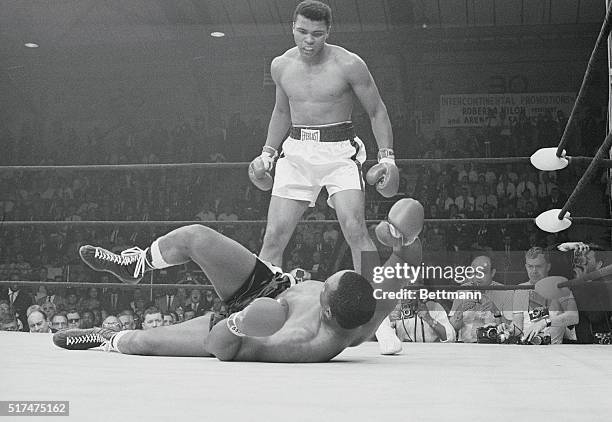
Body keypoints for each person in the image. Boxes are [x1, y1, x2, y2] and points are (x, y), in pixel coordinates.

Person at [54, 199, 424, 362]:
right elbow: (408, 263)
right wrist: (402, 237)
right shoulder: (370, 304)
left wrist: (237, 322)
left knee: (141, 343)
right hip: (268, 288)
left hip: (242, 330)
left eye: (325, 285)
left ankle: (105, 337)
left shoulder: (300, 343)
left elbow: (221, 349)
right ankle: (137, 265)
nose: (321, 281)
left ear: (326, 310)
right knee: (195, 236)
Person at [248, 0, 399, 273]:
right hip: (295, 152)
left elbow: (377, 111)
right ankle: (262, 307)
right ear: (292, 27)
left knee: (355, 231)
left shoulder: (350, 64)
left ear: (328, 31)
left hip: (339, 151)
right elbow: (282, 111)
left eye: (317, 34)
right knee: (273, 237)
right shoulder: (281, 65)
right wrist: (267, 153)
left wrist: (387, 158)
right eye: (302, 31)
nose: (308, 40)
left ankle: (376, 311)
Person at [512, 247, 579, 344]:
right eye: (530, 266)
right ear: (526, 267)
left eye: (538, 266)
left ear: (548, 266)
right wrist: (508, 329)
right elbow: (518, 328)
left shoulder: (559, 286)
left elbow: (573, 317)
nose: (534, 271)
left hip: (553, 350)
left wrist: (545, 322)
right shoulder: (520, 289)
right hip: (526, 349)